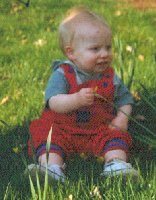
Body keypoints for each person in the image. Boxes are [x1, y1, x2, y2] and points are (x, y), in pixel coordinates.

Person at [26, 6, 138, 183]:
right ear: (71, 53)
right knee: (49, 138)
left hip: (98, 128)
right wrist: (75, 99)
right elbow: (53, 101)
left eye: (108, 47)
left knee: (115, 138)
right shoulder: (63, 74)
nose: (104, 54)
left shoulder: (110, 76)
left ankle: (115, 166)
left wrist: (121, 119)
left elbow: (125, 99)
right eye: (95, 49)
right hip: (63, 128)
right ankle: (51, 169)